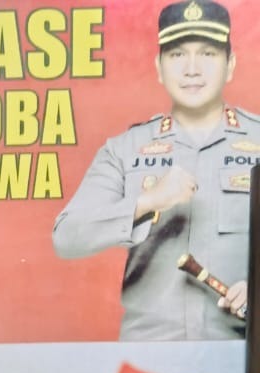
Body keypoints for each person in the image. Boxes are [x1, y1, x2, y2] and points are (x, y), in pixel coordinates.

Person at [52, 1, 260, 341]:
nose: (192, 69)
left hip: (242, 352)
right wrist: (147, 201)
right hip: (149, 357)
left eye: (207, 54)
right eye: (177, 55)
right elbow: (67, 237)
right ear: (159, 68)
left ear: (230, 65)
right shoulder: (124, 149)